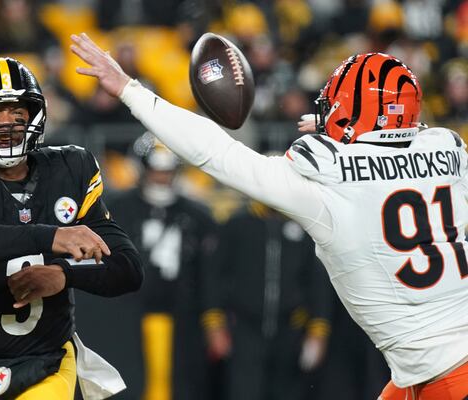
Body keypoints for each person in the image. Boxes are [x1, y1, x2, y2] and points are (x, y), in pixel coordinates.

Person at [70, 33, 468, 399]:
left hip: (442, 375)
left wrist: (129, 89)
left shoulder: (326, 182)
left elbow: (217, 153)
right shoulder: (449, 150)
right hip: (433, 364)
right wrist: (351, 132)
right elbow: (399, 142)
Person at [0, 56, 144, 400]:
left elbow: (127, 268)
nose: (6, 123)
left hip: (46, 360)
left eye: (17, 112)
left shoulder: (71, 167)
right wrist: (51, 234)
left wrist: (64, 275)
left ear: (35, 116)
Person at [76, 133, 219, 400]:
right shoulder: (118, 208)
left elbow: (209, 272)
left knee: (182, 382)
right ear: (142, 169)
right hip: (126, 311)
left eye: (167, 172)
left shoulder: (198, 216)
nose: (161, 178)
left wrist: (213, 318)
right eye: (156, 171)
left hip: (183, 312)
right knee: (129, 378)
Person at [207, 199, 333, 400]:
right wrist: (214, 324)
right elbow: (214, 276)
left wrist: (319, 330)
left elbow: (317, 281)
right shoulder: (237, 224)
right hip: (244, 328)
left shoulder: (303, 225)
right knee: (244, 392)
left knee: (287, 392)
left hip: (291, 330)